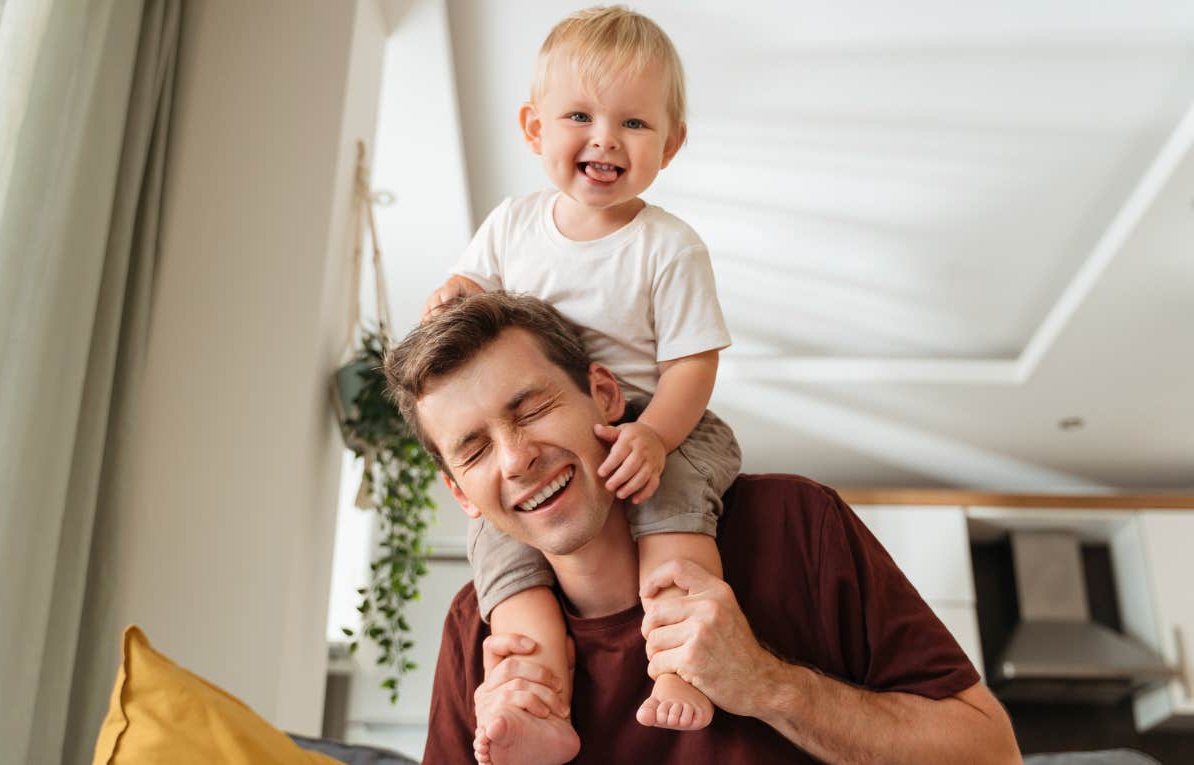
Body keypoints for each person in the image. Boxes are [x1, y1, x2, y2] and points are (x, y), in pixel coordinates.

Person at [384, 292, 1022, 764]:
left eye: (534, 409)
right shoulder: (477, 629)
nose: (516, 458)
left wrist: (767, 685)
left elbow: (991, 754)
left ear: (605, 396)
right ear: (459, 493)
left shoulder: (795, 524)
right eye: (473, 451)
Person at [421, 6, 737, 738]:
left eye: (634, 123)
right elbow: (471, 284)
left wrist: (653, 436)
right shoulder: (513, 222)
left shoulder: (668, 246)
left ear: (671, 143)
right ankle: (536, 695)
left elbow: (693, 363)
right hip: (568, 421)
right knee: (501, 547)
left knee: (674, 508)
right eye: (579, 116)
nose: (605, 138)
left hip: (661, 417)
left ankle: (681, 659)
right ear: (535, 130)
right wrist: (454, 295)